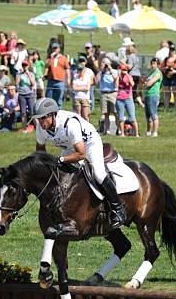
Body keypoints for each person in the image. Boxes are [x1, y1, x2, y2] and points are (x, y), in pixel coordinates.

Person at [32, 97, 127, 230]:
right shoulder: (41, 129)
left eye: (43, 118)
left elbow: (81, 154)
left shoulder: (69, 124)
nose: (40, 122)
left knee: (98, 174)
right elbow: (40, 152)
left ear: (53, 115)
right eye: (38, 119)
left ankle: (119, 209)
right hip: (71, 147)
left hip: (89, 143)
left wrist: (60, 160)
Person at [115, 63, 140, 137]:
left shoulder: (129, 76)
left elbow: (132, 84)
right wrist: (118, 76)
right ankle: (122, 133)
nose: (124, 71)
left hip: (128, 98)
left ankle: (137, 134)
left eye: (125, 69)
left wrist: (128, 76)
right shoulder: (118, 77)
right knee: (121, 117)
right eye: (122, 69)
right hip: (120, 98)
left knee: (132, 117)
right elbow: (116, 85)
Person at [44, 42, 70, 107]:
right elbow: (46, 66)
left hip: (60, 81)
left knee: (58, 100)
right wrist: (51, 58)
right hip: (51, 81)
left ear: (59, 49)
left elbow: (67, 69)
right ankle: (49, 113)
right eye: (53, 48)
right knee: (49, 99)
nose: (54, 50)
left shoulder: (64, 58)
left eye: (56, 48)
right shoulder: (49, 58)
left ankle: (58, 113)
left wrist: (68, 80)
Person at [97, 57, 118, 135]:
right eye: (104, 63)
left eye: (107, 63)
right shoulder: (101, 73)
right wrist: (101, 71)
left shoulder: (114, 71)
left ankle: (118, 129)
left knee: (116, 113)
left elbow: (115, 78)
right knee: (106, 113)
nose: (105, 65)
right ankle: (107, 130)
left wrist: (110, 69)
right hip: (103, 94)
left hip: (113, 93)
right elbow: (97, 81)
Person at [144, 58, 162, 138]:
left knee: (153, 114)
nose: (153, 65)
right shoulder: (151, 73)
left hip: (153, 95)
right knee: (148, 115)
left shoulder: (158, 73)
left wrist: (146, 83)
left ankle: (155, 132)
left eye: (155, 64)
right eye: (152, 63)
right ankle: (148, 132)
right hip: (147, 95)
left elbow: (149, 84)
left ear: (158, 65)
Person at [160, 43, 176, 112]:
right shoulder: (166, 59)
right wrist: (166, 68)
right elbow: (161, 68)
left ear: (175, 50)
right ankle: (166, 108)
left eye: (173, 50)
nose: (171, 51)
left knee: (175, 93)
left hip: (175, 77)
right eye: (170, 50)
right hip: (166, 76)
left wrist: (174, 71)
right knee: (167, 93)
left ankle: (175, 109)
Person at [16, 59, 36, 132]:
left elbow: (33, 83)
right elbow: (17, 83)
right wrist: (20, 74)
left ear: (28, 66)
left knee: (32, 112)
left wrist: (28, 74)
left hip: (30, 94)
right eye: (23, 65)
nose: (24, 67)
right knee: (23, 112)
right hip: (22, 95)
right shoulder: (19, 74)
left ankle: (37, 127)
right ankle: (24, 128)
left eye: (26, 65)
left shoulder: (31, 74)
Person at [125, 40, 144, 107]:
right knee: (135, 90)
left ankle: (130, 103)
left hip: (132, 75)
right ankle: (141, 103)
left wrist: (123, 64)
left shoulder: (130, 57)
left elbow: (130, 66)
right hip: (138, 74)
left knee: (129, 90)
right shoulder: (136, 56)